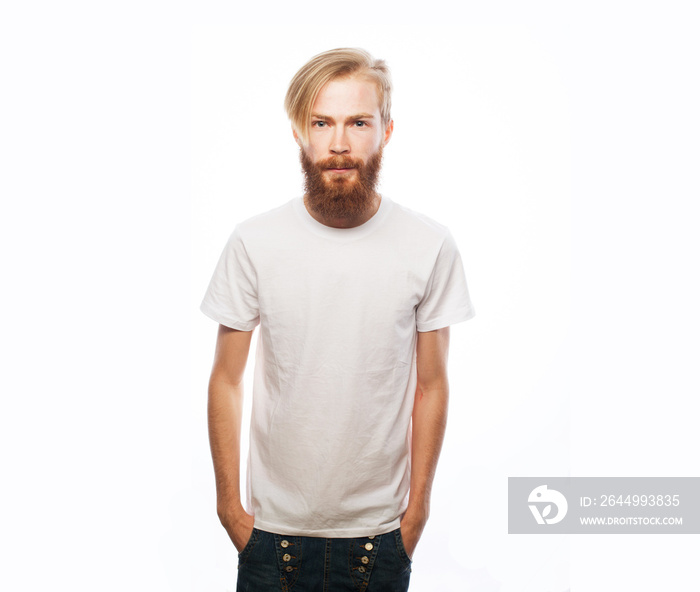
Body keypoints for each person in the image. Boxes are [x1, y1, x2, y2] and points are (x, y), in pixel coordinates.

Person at [201, 47, 475, 591]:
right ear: (299, 132)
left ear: (387, 131)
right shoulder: (255, 241)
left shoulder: (429, 245)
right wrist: (230, 510)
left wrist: (415, 515)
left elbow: (433, 384)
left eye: (358, 122)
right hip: (272, 538)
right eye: (321, 122)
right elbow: (226, 379)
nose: (340, 143)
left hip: (379, 541)